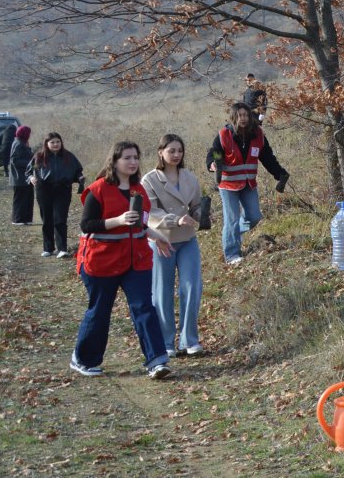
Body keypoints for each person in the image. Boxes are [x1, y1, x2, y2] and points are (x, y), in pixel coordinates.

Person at [71, 141, 175, 379]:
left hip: (136, 261)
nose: (133, 162)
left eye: (136, 157)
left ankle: (157, 361)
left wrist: (156, 236)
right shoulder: (98, 189)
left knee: (144, 307)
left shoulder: (139, 190)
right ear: (115, 161)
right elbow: (87, 225)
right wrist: (117, 221)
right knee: (100, 311)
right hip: (101, 261)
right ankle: (83, 359)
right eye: (127, 158)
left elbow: (140, 224)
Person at [142, 134, 206, 358]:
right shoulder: (149, 180)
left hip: (187, 239)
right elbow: (150, 212)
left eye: (180, 150)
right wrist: (176, 220)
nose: (176, 155)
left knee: (192, 287)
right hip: (162, 240)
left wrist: (202, 214)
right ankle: (165, 341)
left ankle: (189, 340)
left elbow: (195, 205)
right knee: (162, 292)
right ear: (161, 152)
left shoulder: (190, 177)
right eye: (172, 151)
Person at [206, 103, 289, 265]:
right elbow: (214, 152)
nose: (243, 118)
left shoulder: (258, 135)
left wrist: (279, 173)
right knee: (232, 219)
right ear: (233, 117)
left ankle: (233, 234)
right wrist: (212, 164)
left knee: (254, 216)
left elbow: (268, 158)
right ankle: (232, 255)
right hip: (228, 185)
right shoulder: (224, 135)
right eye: (239, 115)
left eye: (245, 115)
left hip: (248, 184)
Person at [28, 132, 84, 257]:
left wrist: (80, 178)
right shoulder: (39, 156)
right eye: (52, 142)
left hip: (63, 190)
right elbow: (28, 171)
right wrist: (31, 178)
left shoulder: (69, 156)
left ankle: (62, 249)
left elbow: (78, 171)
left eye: (58, 142)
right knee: (47, 220)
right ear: (47, 144)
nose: (55, 144)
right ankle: (48, 248)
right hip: (44, 190)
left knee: (60, 219)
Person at [8, 125, 34, 225]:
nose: (30, 135)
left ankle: (27, 219)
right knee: (20, 199)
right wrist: (30, 164)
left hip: (26, 177)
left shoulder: (22, 143)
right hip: (19, 177)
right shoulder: (18, 143)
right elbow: (15, 160)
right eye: (29, 133)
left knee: (28, 198)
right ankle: (17, 219)